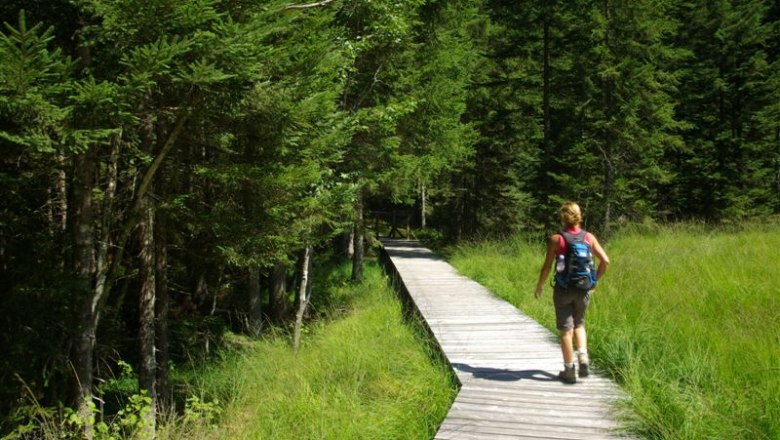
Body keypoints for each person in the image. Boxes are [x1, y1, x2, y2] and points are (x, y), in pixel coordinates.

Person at [533, 201, 609, 384]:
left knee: (566, 331)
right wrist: (593, 281)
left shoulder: (556, 239)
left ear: (563, 217)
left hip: (563, 289)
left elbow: (546, 267)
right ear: (579, 216)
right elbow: (605, 261)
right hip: (583, 289)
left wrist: (540, 286)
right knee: (579, 325)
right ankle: (583, 356)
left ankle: (569, 370)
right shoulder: (588, 237)